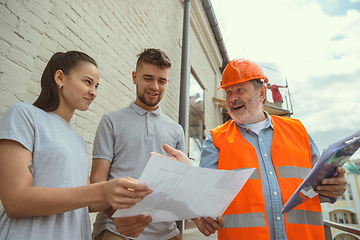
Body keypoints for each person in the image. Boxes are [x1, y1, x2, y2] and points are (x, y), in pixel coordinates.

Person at [165, 58, 347, 240]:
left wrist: (335, 186)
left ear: (262, 92)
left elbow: (322, 185)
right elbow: (205, 197)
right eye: (228, 92)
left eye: (240, 90)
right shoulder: (216, 139)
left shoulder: (298, 130)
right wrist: (187, 176)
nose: (232, 98)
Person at [0, 51, 151, 240]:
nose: (94, 92)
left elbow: (87, 202)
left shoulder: (78, 141)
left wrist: (127, 199)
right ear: (60, 77)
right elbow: (15, 201)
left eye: (96, 86)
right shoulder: (24, 115)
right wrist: (103, 190)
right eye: (87, 82)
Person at [90, 48, 186, 240]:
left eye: (162, 80)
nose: (155, 86)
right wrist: (120, 218)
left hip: (166, 233)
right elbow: (97, 183)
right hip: (117, 229)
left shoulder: (176, 130)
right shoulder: (111, 121)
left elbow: (180, 186)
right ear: (135, 77)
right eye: (148, 78)